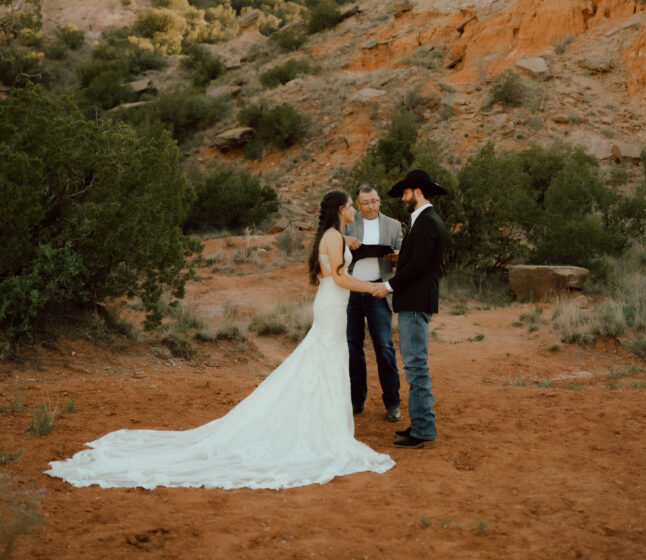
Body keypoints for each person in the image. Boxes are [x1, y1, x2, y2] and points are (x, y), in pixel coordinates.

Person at [46, 191, 394, 490]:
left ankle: (324, 424)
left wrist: (349, 245)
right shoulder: (333, 237)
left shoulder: (335, 236)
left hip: (330, 306)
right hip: (333, 306)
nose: (353, 208)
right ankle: (323, 432)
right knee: (325, 361)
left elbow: (329, 266)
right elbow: (336, 276)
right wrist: (372, 287)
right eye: (350, 205)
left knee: (325, 363)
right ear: (340, 210)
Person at [376, 169, 447, 450]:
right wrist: (400, 257)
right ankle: (419, 425)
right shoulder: (424, 221)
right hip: (415, 302)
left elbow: (420, 265)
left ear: (418, 192)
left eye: (406, 192)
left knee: (416, 367)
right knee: (414, 366)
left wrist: (389, 286)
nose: (403, 197)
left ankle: (424, 429)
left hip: (415, 304)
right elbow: (418, 259)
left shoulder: (427, 222)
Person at [343, 183, 403, 421]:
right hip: (351, 292)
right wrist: (344, 240)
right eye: (365, 203)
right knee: (352, 348)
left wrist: (398, 256)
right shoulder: (347, 224)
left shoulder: (394, 225)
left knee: (385, 347)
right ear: (358, 204)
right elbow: (330, 247)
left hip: (378, 290)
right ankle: (357, 400)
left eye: (374, 201)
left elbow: (403, 258)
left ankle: (393, 403)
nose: (370, 206)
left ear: (380, 201)